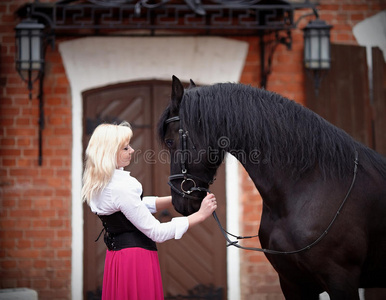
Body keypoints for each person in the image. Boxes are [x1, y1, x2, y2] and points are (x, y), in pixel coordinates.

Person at [81, 121, 217, 300]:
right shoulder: (121, 187)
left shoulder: (100, 184)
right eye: (125, 148)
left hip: (118, 259)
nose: (132, 150)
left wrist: (175, 199)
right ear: (109, 153)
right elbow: (157, 232)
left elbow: (132, 207)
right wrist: (199, 216)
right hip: (135, 261)